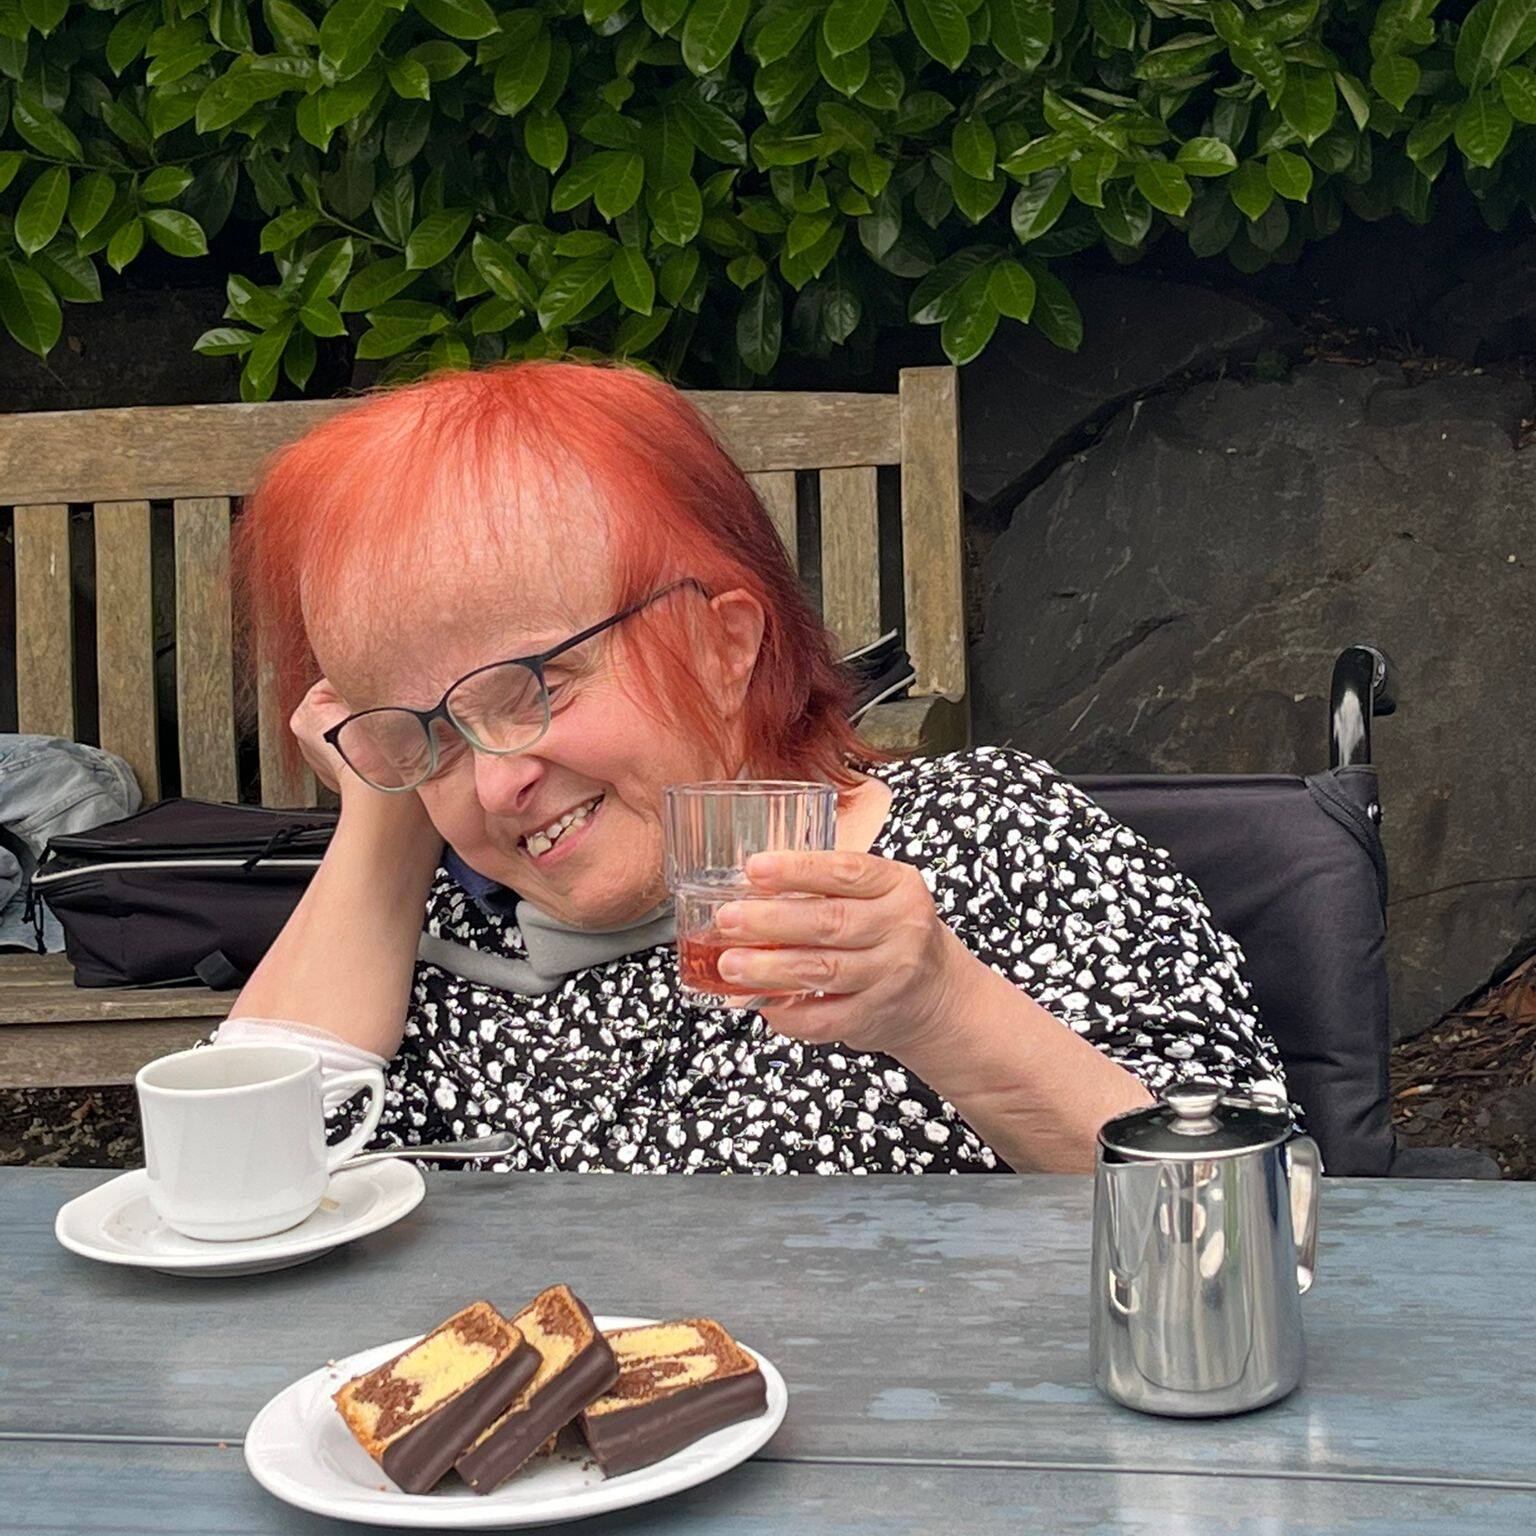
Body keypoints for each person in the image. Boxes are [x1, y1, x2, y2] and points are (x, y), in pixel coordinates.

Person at [219, 360, 1287, 1175]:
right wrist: (388, 809)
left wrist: (943, 1009)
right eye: (437, 735)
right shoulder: (424, 956)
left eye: (532, 690)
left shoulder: (990, 846)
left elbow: (1270, 1239)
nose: (496, 785)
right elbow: (232, 1194)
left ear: (725, 644)